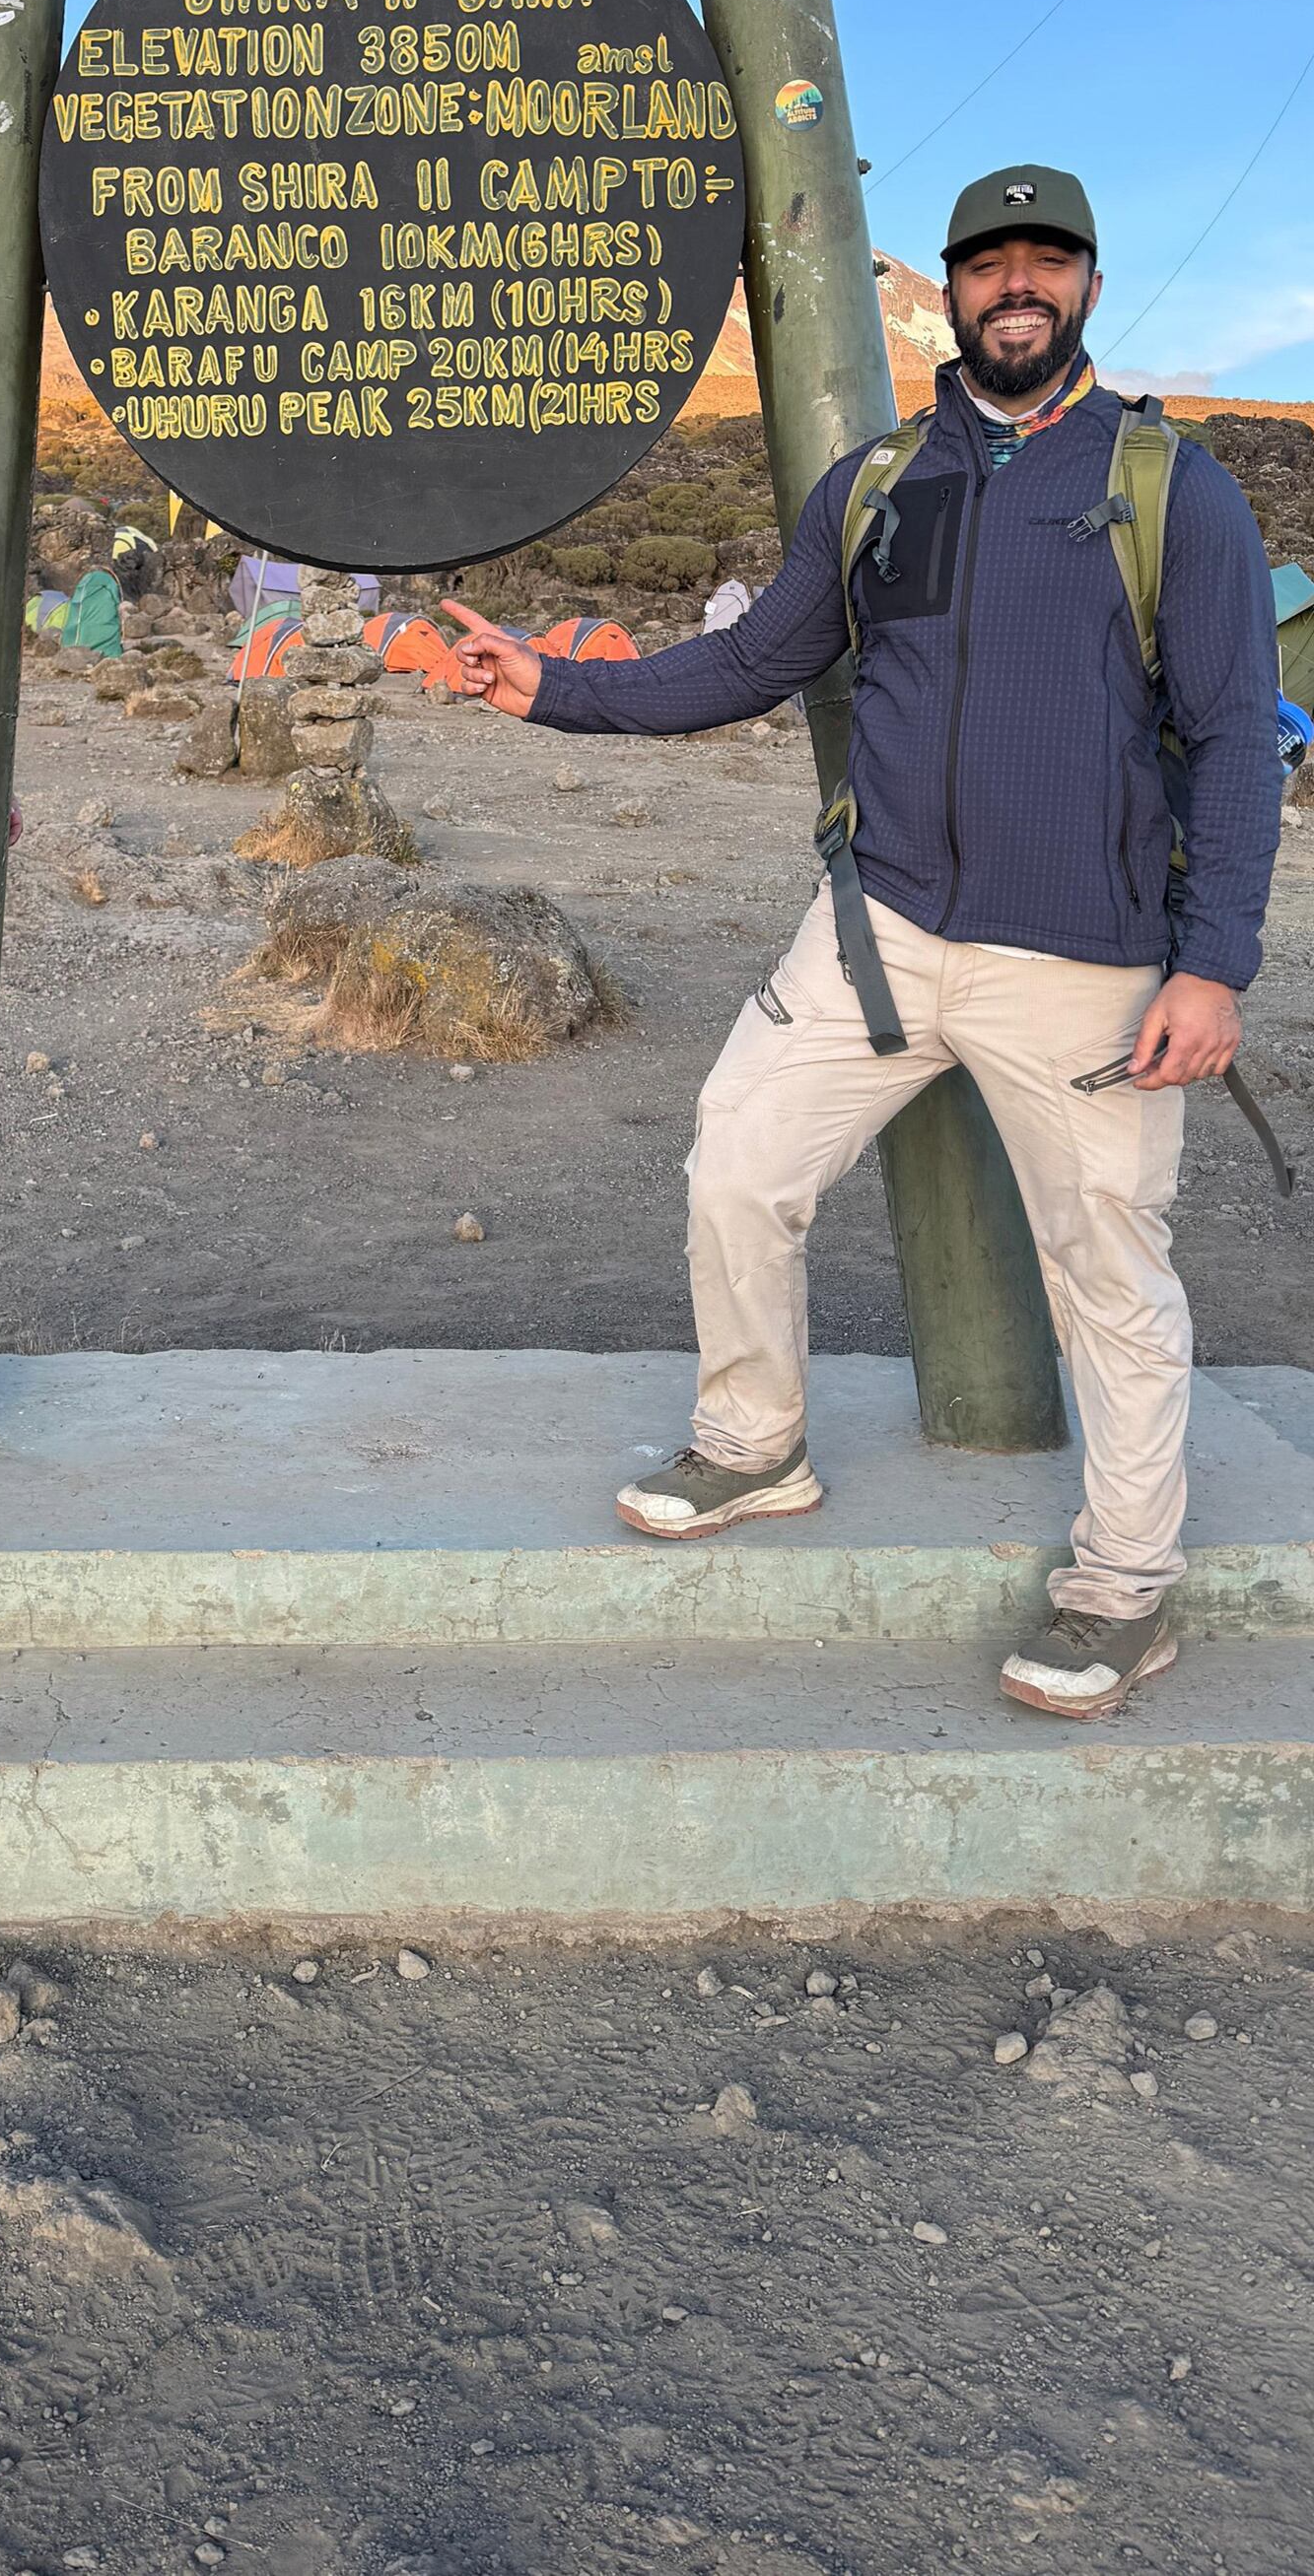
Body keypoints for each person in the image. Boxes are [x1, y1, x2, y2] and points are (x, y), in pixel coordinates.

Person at [443, 166, 1281, 1721]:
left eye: (1048, 262)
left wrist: (1215, 960)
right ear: (949, 289)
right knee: (735, 1160)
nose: (1016, 286)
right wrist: (551, 682)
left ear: (1088, 286)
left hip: (1087, 962)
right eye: (989, 264)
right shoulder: (880, 478)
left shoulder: (1173, 486)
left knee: (1109, 1271)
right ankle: (755, 1441)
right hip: (879, 925)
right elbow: (758, 658)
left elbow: (1238, 738)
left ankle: (1124, 1586)